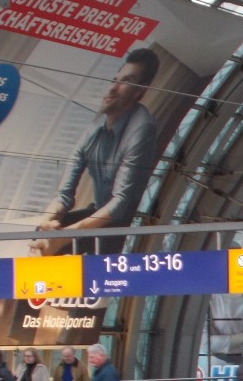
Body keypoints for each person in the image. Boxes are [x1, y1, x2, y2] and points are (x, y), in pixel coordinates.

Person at [30, 47, 160, 256]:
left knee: (57, 245)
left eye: (125, 81)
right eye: (114, 80)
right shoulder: (93, 130)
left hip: (126, 223)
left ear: (139, 91)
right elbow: (64, 195)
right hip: (98, 213)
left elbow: (120, 204)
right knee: (40, 235)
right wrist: (47, 223)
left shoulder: (142, 127)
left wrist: (64, 237)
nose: (113, 89)